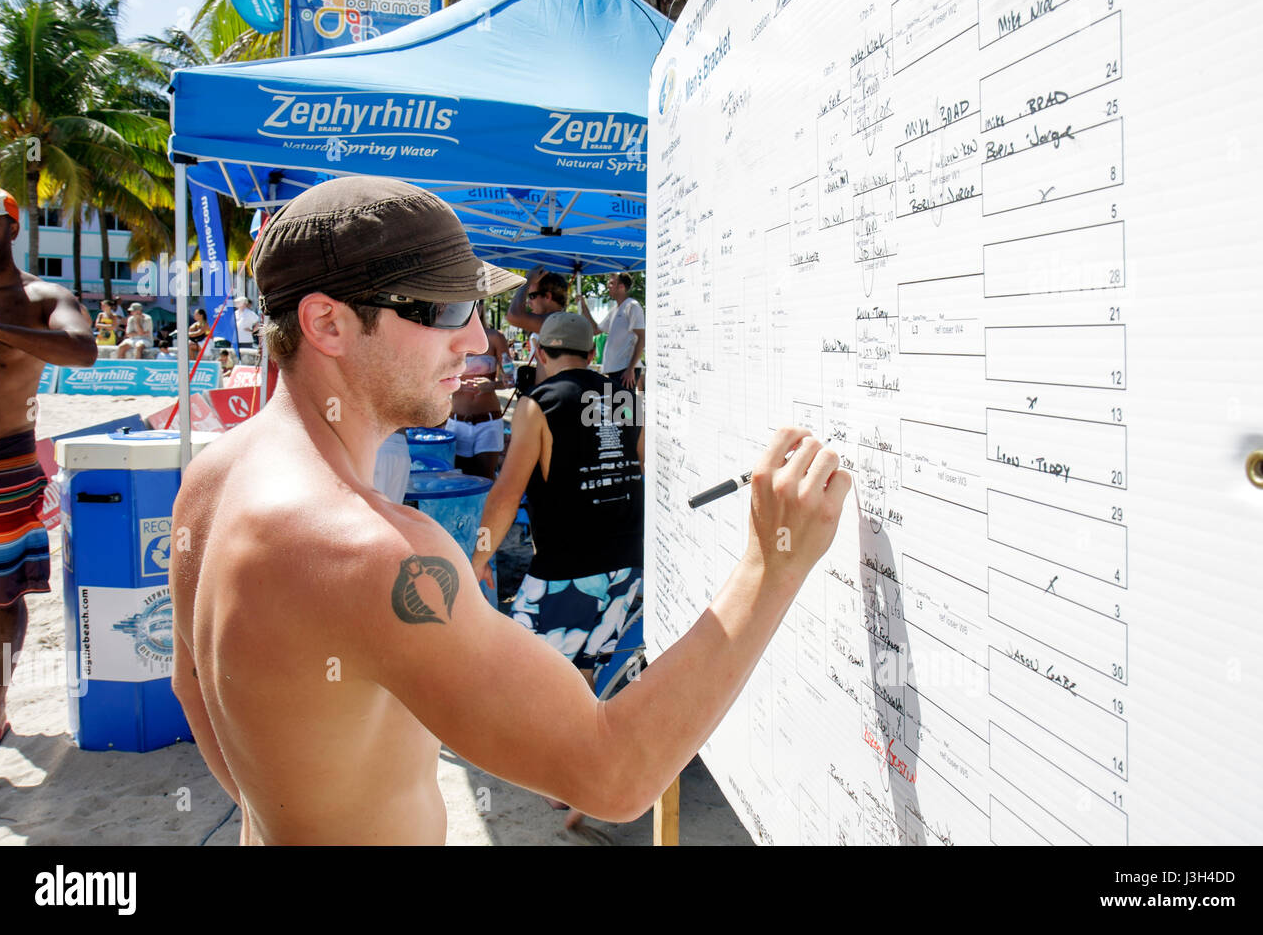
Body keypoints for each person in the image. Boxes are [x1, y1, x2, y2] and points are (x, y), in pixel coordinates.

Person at [168, 176, 850, 845]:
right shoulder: (372, 552)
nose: (475, 340)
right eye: (442, 310)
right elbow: (612, 775)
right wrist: (771, 566)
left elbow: (194, 685)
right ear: (327, 323)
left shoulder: (210, 480)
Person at [469, 312, 643, 833]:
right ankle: (577, 785)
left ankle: (564, 779)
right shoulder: (628, 399)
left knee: (518, 675)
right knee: (583, 673)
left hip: (566, 569)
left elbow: (506, 494)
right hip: (626, 567)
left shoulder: (537, 405)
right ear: (590, 354)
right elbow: (643, 471)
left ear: (541, 354)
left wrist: (478, 560)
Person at [0, 182, 97, 756]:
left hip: (3, 462)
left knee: (2, 595)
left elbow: (82, 350)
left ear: (11, 228)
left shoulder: (41, 295)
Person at [446, 301, 511, 480]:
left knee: (485, 479)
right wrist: (456, 383)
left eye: (477, 302)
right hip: (456, 422)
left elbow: (511, 378)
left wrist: (493, 385)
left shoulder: (495, 338)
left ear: (481, 306)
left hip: (488, 423)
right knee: (459, 479)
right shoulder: (449, 336)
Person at [577, 272, 645, 390]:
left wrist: (630, 369)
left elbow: (642, 338)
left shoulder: (632, 306)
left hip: (625, 371)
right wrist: (583, 306)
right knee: (614, 407)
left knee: (625, 408)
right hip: (614, 370)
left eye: (612, 283)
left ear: (621, 287)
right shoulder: (615, 310)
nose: (608, 285)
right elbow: (595, 330)